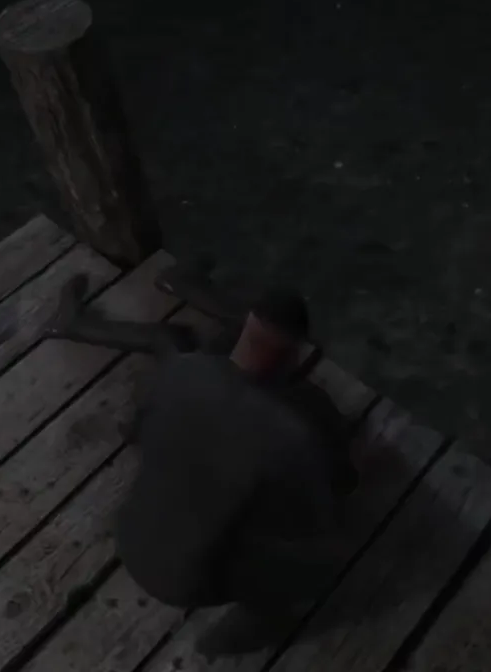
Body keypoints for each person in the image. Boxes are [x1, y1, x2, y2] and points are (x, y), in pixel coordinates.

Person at [46, 280, 357, 656]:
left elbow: (136, 430)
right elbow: (318, 514)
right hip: (185, 580)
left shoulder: (180, 370)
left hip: (129, 534)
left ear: (245, 328)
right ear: (291, 356)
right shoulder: (291, 437)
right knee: (325, 560)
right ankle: (231, 638)